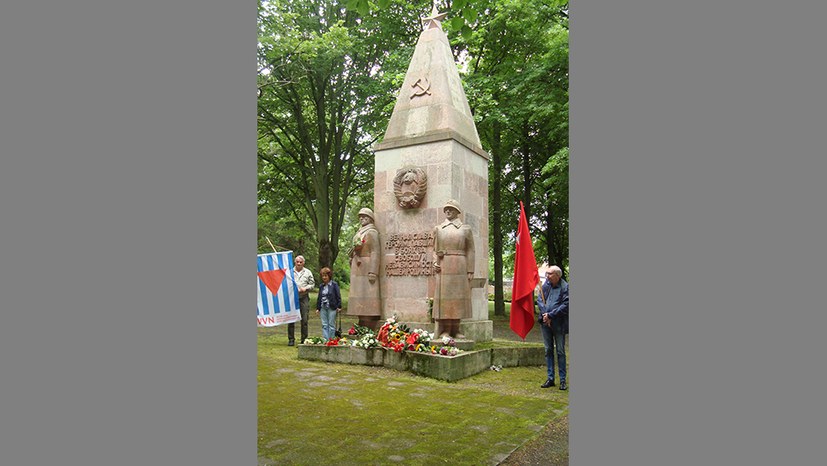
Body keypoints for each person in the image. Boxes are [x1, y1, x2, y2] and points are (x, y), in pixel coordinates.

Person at [432, 199, 475, 338]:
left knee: (458, 297)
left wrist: (470, 270)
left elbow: (471, 250)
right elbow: (434, 249)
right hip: (444, 266)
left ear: (457, 211)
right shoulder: (438, 229)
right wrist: (435, 262)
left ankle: (456, 329)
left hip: (460, 265)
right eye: (446, 209)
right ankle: (446, 329)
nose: (448, 211)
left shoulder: (465, 229)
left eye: (451, 209)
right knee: (445, 298)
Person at [347, 208, 382, 331]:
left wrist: (373, 271)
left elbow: (375, 251)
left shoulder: (372, 232)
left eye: (364, 216)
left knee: (368, 295)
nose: (361, 218)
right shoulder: (360, 232)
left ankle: (369, 322)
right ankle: (361, 320)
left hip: (367, 267)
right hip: (358, 267)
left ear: (370, 218)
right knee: (359, 295)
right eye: (360, 217)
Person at [536, 265, 569, 390]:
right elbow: (540, 299)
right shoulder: (546, 285)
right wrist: (545, 315)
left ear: (557, 275)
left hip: (559, 324)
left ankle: (562, 380)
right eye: (547, 273)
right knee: (548, 350)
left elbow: (566, 305)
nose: (547, 276)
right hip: (545, 323)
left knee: (560, 351)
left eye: (549, 274)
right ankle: (550, 378)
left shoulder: (565, 287)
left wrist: (551, 315)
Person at [287, 255, 315, 346]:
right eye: (297, 262)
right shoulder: (290, 272)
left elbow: (312, 284)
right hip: (292, 298)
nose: (299, 263)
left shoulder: (308, 272)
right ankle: (291, 339)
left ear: (303, 263)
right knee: (291, 319)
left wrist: (305, 288)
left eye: (300, 262)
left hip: (304, 297)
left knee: (304, 319)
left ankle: (304, 339)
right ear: (295, 262)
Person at [315, 267, 342, 340]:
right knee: (324, 324)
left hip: (332, 307)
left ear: (329, 276)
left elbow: (338, 296)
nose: (324, 277)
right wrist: (318, 308)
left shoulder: (334, 285)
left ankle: (331, 340)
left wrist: (339, 306)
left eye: (325, 275)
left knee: (331, 324)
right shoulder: (321, 286)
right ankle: (325, 340)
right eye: (323, 276)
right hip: (323, 307)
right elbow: (319, 297)